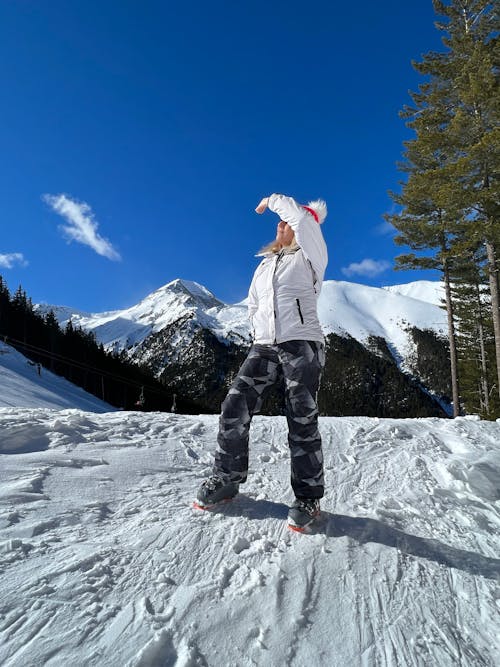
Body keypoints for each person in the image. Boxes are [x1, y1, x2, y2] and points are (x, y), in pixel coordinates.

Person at [195, 193, 328, 531]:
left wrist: (272, 200)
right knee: (234, 405)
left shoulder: (311, 252)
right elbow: (253, 305)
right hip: (265, 345)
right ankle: (227, 478)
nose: (280, 224)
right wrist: (258, 335)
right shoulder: (265, 263)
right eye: (279, 220)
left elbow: (300, 219)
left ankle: (307, 498)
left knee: (302, 418)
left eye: (286, 221)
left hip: (302, 343)